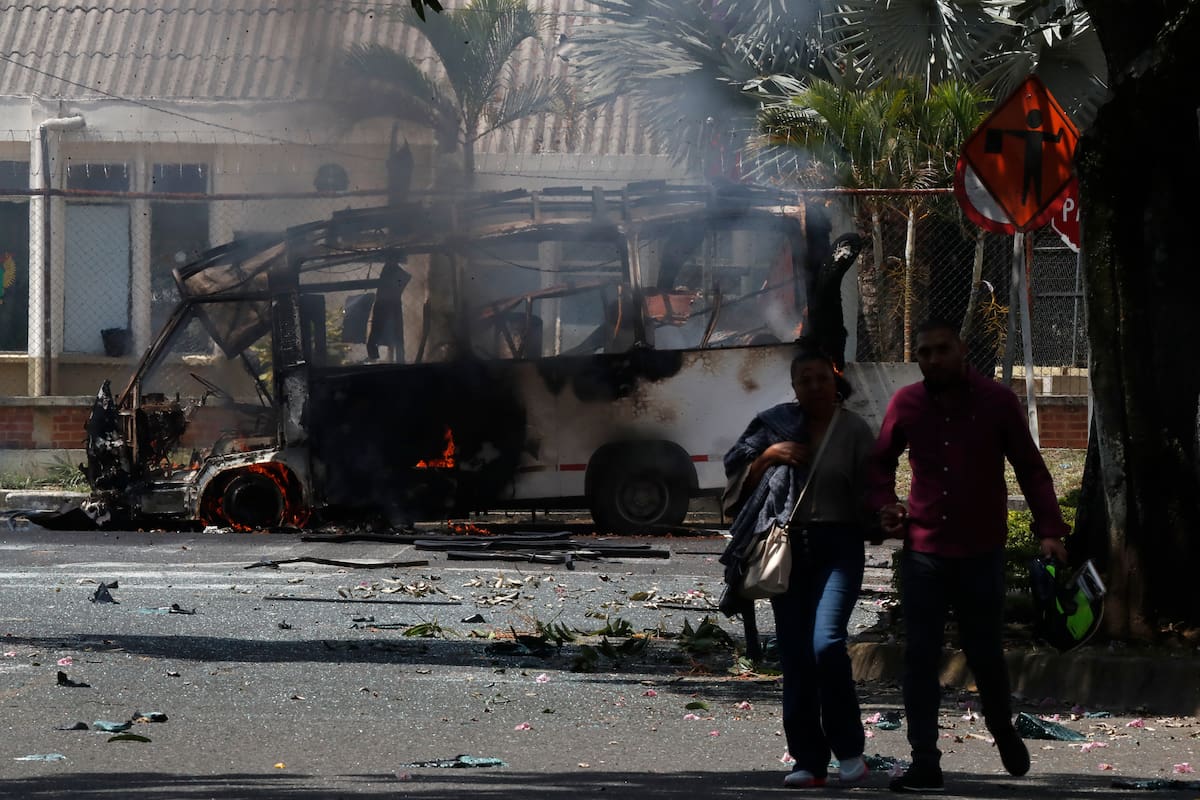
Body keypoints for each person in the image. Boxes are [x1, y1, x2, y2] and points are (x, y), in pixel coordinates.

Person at [869, 319, 1070, 793]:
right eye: (924, 353)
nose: (933, 359)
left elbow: (1032, 470)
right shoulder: (908, 403)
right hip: (924, 554)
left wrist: (1050, 531)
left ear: (962, 350)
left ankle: (1002, 727)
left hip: (980, 551)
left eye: (941, 350)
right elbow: (879, 464)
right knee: (920, 658)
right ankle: (924, 760)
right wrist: (885, 505)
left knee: (985, 654)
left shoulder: (997, 402)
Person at [721, 348, 877, 788]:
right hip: (788, 547)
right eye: (804, 380)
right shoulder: (775, 423)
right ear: (794, 387)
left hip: (840, 546)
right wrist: (770, 455)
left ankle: (850, 752)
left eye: (820, 378)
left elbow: (876, 484)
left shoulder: (854, 430)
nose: (813, 386)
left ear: (835, 380)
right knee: (795, 655)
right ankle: (808, 762)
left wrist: (885, 513)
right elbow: (737, 473)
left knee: (827, 644)